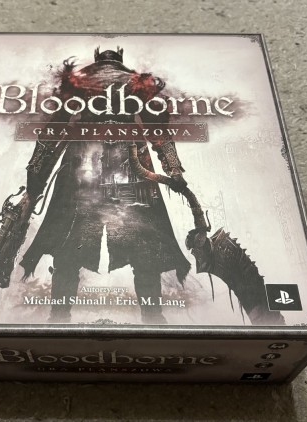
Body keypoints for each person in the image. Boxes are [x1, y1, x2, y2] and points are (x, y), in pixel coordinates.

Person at [18, 47, 209, 323]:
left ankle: (58, 318)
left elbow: (54, 126)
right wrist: (173, 169)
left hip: (84, 165)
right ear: (119, 58)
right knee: (143, 248)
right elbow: (159, 131)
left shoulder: (78, 81)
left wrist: (35, 170)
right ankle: (153, 318)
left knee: (69, 248)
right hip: (129, 164)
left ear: (98, 58)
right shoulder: (138, 82)